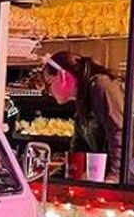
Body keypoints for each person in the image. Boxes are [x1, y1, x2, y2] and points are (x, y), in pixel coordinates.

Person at [43, 50, 125, 181]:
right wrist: (60, 175)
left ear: (63, 76)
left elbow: (118, 131)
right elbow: (78, 147)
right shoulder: (83, 99)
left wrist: (115, 176)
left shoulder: (101, 85)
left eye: (49, 82)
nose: (47, 91)